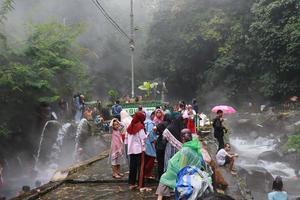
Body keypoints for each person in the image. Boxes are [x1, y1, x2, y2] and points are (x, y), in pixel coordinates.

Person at [156, 129, 206, 200]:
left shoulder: (185, 150)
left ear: (182, 139)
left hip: (185, 174)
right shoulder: (195, 147)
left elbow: (182, 167)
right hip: (195, 172)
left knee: (164, 178)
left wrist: (172, 167)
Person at [126, 111, 148, 191]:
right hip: (139, 150)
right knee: (141, 167)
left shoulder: (130, 126)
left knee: (132, 167)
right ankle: (141, 185)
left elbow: (126, 138)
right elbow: (143, 137)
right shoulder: (140, 126)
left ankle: (132, 184)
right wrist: (147, 134)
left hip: (131, 150)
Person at [144, 112, 156, 179]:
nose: (154, 116)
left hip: (144, 142)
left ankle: (145, 173)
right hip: (150, 143)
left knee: (146, 158)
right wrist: (153, 141)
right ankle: (148, 174)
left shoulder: (144, 122)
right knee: (152, 158)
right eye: (153, 114)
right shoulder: (150, 123)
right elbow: (151, 133)